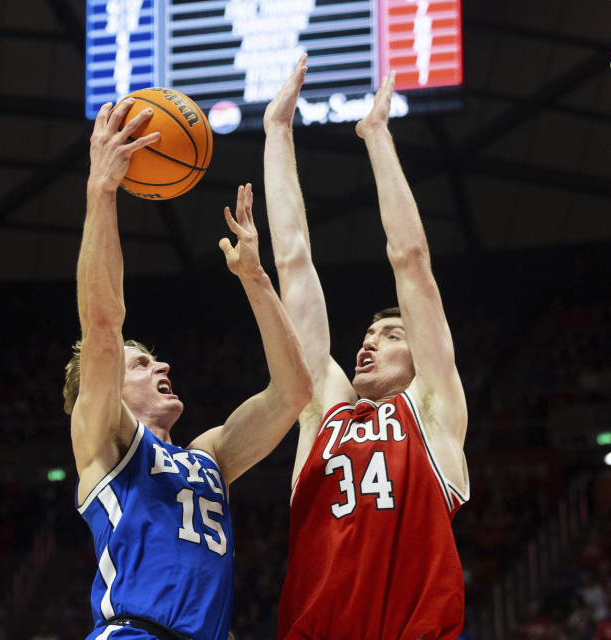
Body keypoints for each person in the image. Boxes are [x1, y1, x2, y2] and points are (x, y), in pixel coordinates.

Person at [63, 98, 312, 640]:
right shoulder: (104, 443)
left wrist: (255, 279)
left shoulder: (209, 457)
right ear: (104, 388)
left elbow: (293, 393)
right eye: (142, 363)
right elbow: (103, 328)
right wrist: (101, 191)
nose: (163, 364)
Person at [262, 55, 470, 639]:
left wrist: (376, 136)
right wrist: (277, 133)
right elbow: (293, 264)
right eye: (367, 335)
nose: (369, 343)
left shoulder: (434, 412)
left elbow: (412, 263)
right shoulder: (321, 410)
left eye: (391, 334)